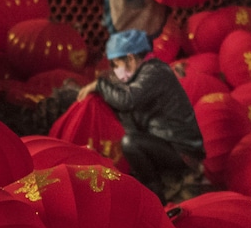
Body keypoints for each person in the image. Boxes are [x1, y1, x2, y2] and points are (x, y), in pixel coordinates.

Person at [83, 30, 205, 198]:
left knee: (130, 143)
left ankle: (155, 193)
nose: (116, 70)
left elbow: (127, 100)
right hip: (166, 141)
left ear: (131, 59)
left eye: (117, 64)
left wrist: (100, 85)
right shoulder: (145, 73)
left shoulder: (154, 72)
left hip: (181, 150)